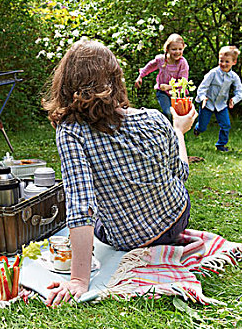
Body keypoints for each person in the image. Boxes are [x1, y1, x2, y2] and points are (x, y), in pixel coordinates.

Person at [42, 40, 197, 306]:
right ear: (116, 79)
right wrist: (178, 132)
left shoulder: (70, 131)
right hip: (175, 221)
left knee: (97, 218)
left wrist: (79, 279)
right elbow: (180, 174)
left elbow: (82, 204)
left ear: (65, 82)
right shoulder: (155, 120)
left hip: (125, 239)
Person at [193, 46, 242, 152]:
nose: (223, 64)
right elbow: (203, 87)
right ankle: (197, 128)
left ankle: (221, 145)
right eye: (221, 61)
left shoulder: (234, 77)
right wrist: (202, 98)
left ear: (233, 62)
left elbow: (240, 91)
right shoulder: (213, 73)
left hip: (221, 104)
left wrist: (234, 100)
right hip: (207, 103)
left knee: (226, 124)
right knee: (203, 127)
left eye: (227, 62)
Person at [134, 33, 189, 120]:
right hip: (162, 92)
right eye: (174, 49)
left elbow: (183, 82)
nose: (177, 52)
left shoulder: (182, 63)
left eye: (180, 49)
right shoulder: (161, 60)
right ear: (167, 49)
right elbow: (150, 66)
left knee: (178, 115)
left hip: (178, 93)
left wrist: (169, 87)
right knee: (168, 112)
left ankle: (178, 132)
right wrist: (140, 76)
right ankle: (168, 131)